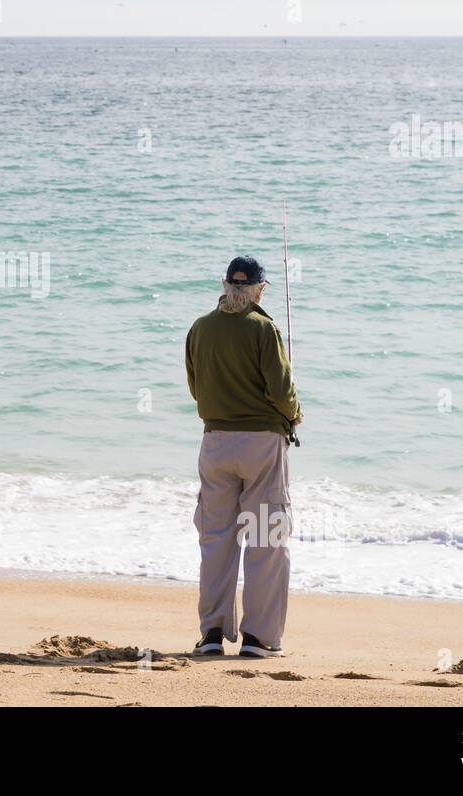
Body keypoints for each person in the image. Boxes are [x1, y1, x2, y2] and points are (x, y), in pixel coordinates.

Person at [185, 255, 302, 657]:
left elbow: (196, 388)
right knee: (266, 539)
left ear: (224, 285)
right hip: (262, 446)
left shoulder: (199, 328)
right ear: (259, 289)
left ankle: (212, 634)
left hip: (215, 443)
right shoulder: (264, 328)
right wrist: (295, 416)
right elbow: (282, 391)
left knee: (216, 541)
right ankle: (259, 638)